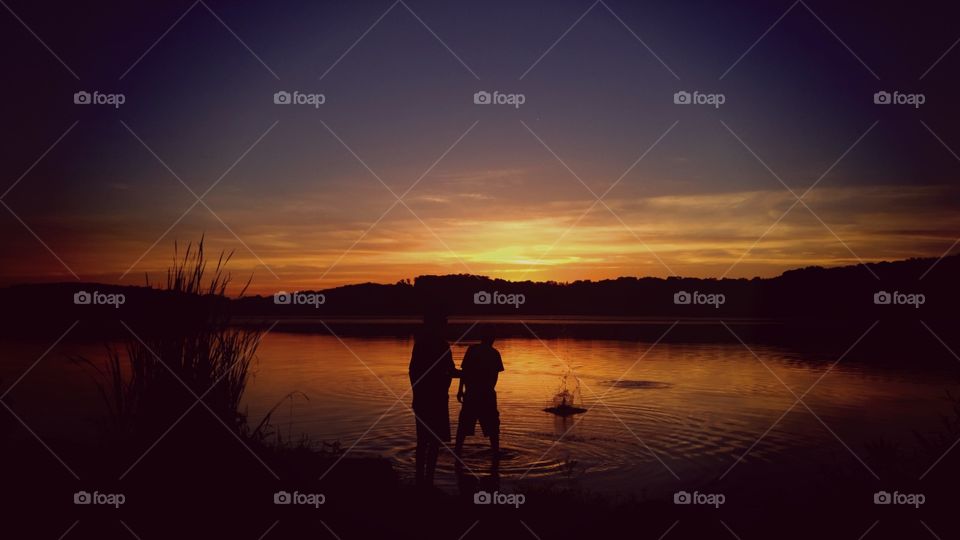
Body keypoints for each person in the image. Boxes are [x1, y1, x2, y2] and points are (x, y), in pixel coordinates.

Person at [408, 312, 459, 487]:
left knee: (423, 441)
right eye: (444, 325)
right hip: (435, 398)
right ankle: (427, 479)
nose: (446, 328)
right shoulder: (442, 345)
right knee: (433, 441)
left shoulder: (420, 344)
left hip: (424, 398)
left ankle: (421, 479)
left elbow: (413, 372)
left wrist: (416, 394)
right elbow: (450, 370)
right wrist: (468, 374)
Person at [454, 327, 504, 464]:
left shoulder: (472, 350)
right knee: (492, 427)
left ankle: (457, 452)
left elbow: (464, 372)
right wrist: (488, 391)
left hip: (472, 394)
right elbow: (495, 378)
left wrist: (460, 390)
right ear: (492, 339)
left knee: (464, 426)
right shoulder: (494, 353)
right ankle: (495, 454)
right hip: (486, 394)